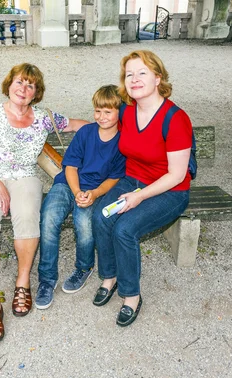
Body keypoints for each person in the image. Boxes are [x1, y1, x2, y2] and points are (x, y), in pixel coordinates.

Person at [0, 63, 87, 343]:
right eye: (19, 82)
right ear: (9, 84)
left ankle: (22, 282)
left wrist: (109, 122)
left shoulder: (44, 118)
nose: (23, 89)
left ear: (37, 92)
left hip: (24, 177)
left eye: (30, 85)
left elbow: (73, 124)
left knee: (26, 215)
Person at [92, 50, 193, 327]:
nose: (134, 79)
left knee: (125, 229)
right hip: (132, 180)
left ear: (158, 78)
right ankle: (109, 277)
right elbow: (99, 125)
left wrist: (140, 196)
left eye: (142, 73)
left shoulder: (175, 119)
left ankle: (131, 295)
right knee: (101, 216)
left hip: (169, 191)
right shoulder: (126, 111)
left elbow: (177, 174)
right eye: (129, 74)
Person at [35, 85, 126, 310]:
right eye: (98, 111)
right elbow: (71, 167)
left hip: (94, 191)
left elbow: (114, 179)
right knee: (48, 218)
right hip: (68, 185)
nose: (101, 116)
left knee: (84, 223)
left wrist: (93, 194)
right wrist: (76, 192)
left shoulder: (122, 143)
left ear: (120, 112)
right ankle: (47, 279)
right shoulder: (86, 133)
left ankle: (84, 268)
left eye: (108, 112)